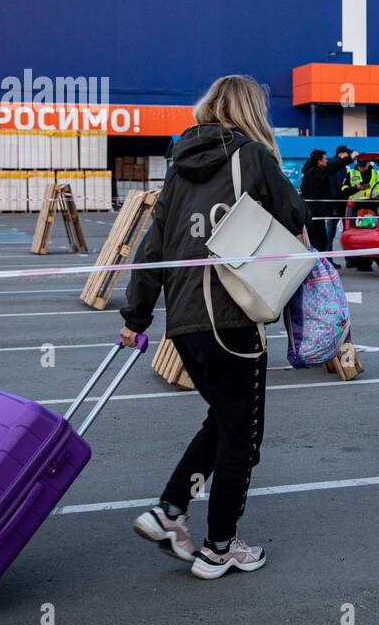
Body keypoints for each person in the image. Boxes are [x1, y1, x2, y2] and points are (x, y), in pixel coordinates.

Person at [120, 74, 309, 578]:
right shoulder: (252, 157)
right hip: (232, 315)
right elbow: (295, 214)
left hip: (184, 322)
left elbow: (152, 249)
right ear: (250, 110)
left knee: (223, 421)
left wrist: (135, 317)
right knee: (243, 437)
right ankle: (220, 546)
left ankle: (170, 510)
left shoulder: (178, 164)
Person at [300, 148, 348, 251]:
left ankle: (321, 262)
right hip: (315, 212)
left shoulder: (309, 173)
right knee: (318, 240)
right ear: (319, 161)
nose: (326, 161)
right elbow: (333, 167)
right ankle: (318, 263)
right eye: (325, 159)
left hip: (315, 212)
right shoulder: (317, 172)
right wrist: (349, 158)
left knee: (320, 239)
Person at [325, 145, 355, 253]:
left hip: (333, 203)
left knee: (330, 233)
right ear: (341, 154)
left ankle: (328, 259)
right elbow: (340, 186)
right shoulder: (340, 166)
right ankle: (348, 260)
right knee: (337, 232)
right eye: (347, 154)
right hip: (339, 204)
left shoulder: (331, 164)